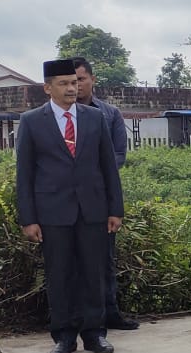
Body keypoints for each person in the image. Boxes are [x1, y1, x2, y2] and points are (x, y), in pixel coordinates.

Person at [15, 59, 124, 353]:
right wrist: (29, 218)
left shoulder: (94, 118)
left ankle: (94, 333)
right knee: (60, 274)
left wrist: (115, 209)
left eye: (74, 82)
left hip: (93, 209)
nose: (71, 88)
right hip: (53, 211)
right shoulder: (32, 121)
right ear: (47, 88)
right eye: (63, 83)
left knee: (94, 273)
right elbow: (24, 174)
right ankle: (63, 335)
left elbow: (108, 167)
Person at [72, 56, 138, 331]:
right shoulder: (55, 115)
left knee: (104, 260)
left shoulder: (109, 114)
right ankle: (74, 319)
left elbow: (118, 157)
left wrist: (89, 176)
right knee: (69, 260)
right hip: (63, 200)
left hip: (100, 197)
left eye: (81, 79)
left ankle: (109, 313)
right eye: (70, 81)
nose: (76, 86)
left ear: (92, 80)